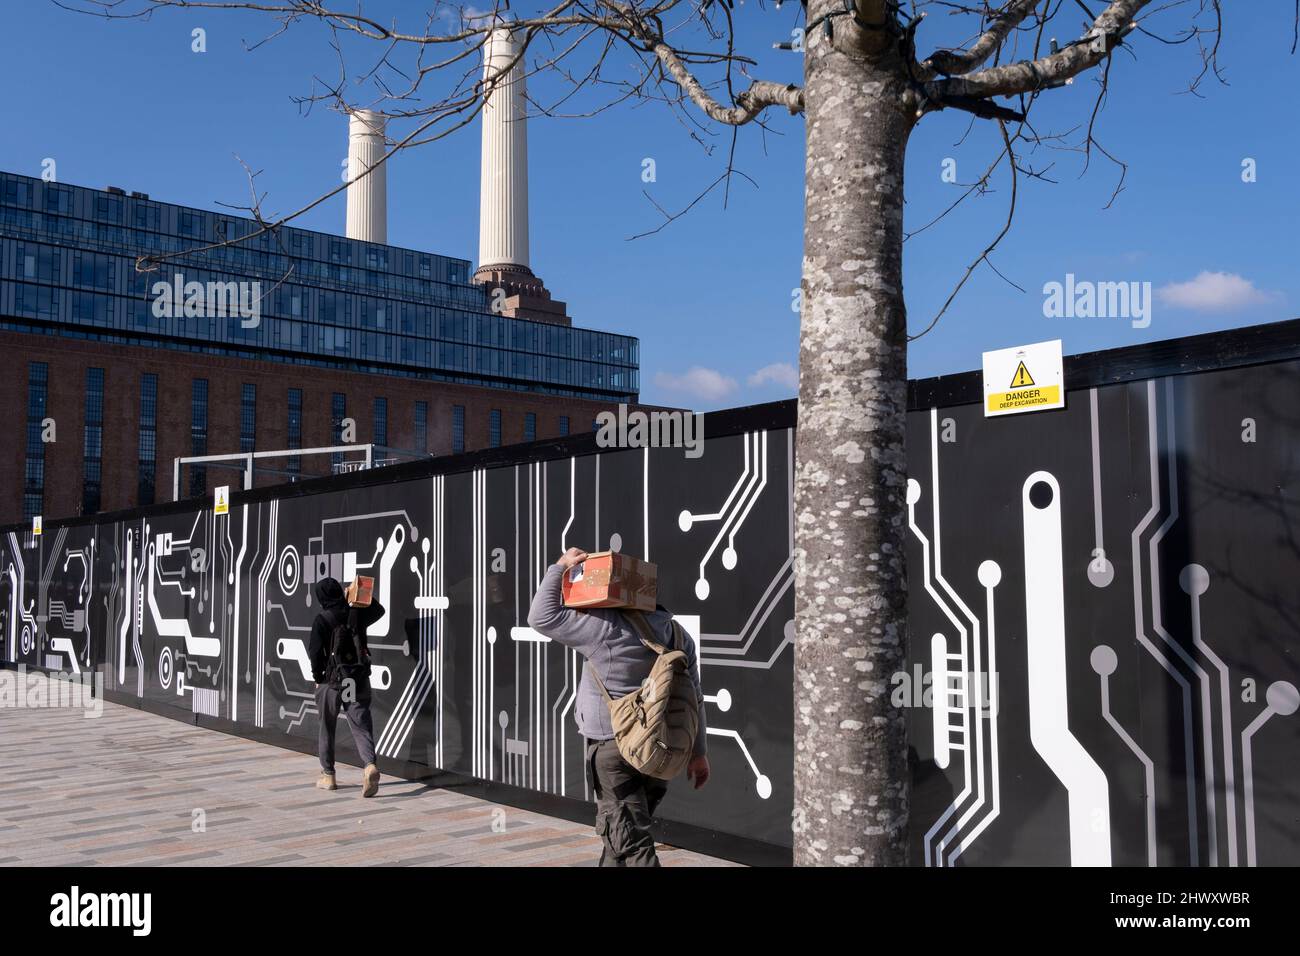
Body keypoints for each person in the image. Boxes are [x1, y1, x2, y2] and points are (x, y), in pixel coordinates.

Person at [527, 547, 710, 867]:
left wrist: (559, 568)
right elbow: (695, 697)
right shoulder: (678, 635)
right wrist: (698, 753)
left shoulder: (605, 627)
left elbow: (541, 616)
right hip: (657, 746)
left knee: (632, 842)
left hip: (613, 747)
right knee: (620, 836)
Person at [308, 576, 385, 797]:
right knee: (360, 723)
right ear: (340, 593)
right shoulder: (356, 613)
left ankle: (328, 775)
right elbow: (379, 610)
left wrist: (318, 677)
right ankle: (369, 765)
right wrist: (357, 596)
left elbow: (314, 653)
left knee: (327, 727)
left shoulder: (322, 619)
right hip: (356, 678)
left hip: (331, 682)